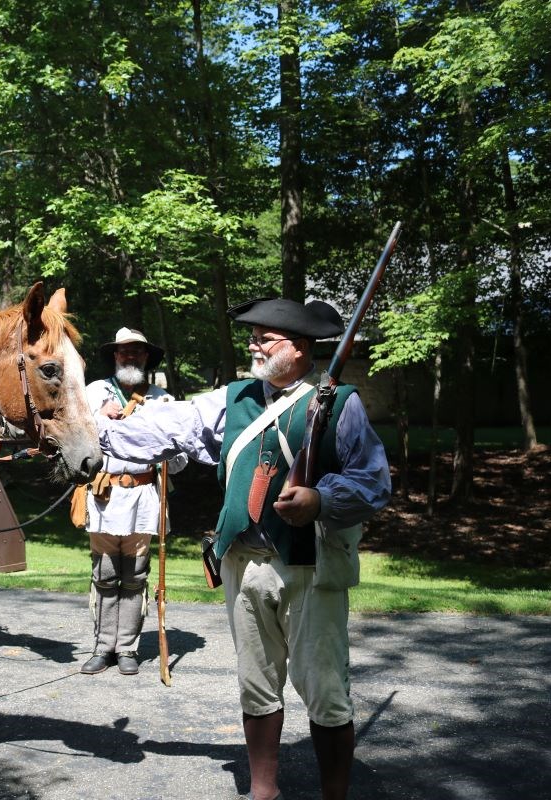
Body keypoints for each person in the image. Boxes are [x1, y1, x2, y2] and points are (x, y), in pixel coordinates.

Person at [95, 299, 390, 800]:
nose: (253, 345)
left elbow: (373, 484)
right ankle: (264, 792)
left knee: (324, 690)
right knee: (256, 684)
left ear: (298, 348)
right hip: (243, 563)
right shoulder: (232, 399)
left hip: (311, 565)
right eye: (252, 337)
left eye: (264, 338)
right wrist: (88, 431)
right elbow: (167, 427)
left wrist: (321, 498)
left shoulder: (342, 403)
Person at [79, 328, 187, 676]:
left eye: (137, 352)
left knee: (135, 576)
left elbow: (180, 457)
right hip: (104, 495)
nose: (130, 357)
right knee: (105, 574)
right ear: (115, 356)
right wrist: (98, 418)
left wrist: (166, 440)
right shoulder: (93, 393)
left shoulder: (162, 400)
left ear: (146, 358)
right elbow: (74, 439)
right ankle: (102, 647)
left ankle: (127, 647)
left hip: (143, 496)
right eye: (124, 351)